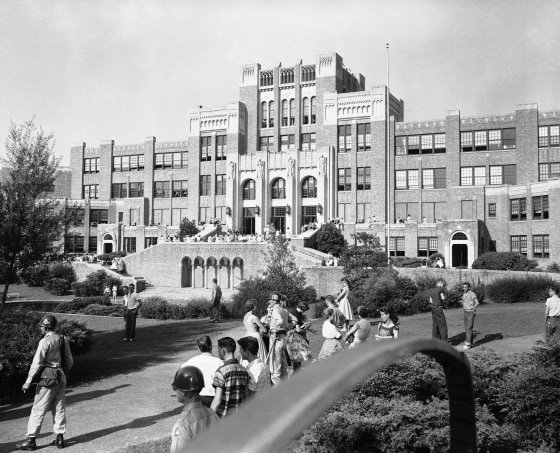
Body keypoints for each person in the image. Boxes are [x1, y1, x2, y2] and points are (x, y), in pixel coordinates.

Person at [15, 315, 73, 451]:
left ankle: (31, 440)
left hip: (47, 377)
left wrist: (28, 381)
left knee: (38, 409)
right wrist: (63, 373)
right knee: (59, 407)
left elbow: (37, 363)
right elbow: (69, 361)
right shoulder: (63, 339)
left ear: (46, 327)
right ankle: (60, 438)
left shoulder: (45, 341)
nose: (40, 328)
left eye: (41, 326)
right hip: (61, 375)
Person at [170, 365, 219, 453]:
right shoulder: (212, 414)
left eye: (175, 388)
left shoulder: (183, 424)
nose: (175, 391)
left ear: (183, 393)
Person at [211, 337, 249, 417]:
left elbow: (217, 400)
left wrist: (209, 417)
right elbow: (247, 397)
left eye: (218, 350)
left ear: (223, 351)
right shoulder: (244, 371)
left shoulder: (221, 372)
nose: (218, 352)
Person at [183, 336, 223, 408]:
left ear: (199, 348)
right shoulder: (220, 362)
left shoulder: (191, 362)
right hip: (214, 397)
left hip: (197, 396)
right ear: (211, 346)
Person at [268, 292, 293, 386]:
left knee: (275, 366)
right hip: (283, 339)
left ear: (274, 300)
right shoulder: (284, 310)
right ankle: (286, 386)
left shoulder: (275, 310)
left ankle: (276, 389)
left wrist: (276, 331)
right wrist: (286, 329)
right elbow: (294, 320)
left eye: (270, 300)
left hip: (276, 339)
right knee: (283, 364)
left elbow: (280, 321)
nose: (269, 301)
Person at [286, 302, 314, 372]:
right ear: (302, 308)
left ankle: (297, 370)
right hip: (293, 337)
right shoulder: (295, 313)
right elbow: (297, 329)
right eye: (304, 310)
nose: (304, 312)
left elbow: (300, 324)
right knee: (297, 355)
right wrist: (304, 330)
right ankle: (296, 371)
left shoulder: (298, 312)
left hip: (296, 336)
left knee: (298, 355)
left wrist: (309, 328)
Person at [461, 282, 479, 350]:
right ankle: (470, 343)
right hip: (465, 312)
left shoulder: (472, 293)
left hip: (470, 312)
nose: (464, 288)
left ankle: (467, 344)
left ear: (468, 287)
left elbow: (477, 302)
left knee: (469, 328)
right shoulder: (464, 294)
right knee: (467, 328)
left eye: (465, 287)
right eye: (463, 287)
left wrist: (473, 309)